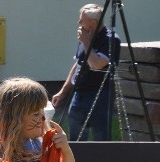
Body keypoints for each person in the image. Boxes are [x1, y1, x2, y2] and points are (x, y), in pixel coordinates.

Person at [51, 3, 120, 141]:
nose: (78, 22)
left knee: (102, 140)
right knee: (76, 141)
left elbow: (96, 65)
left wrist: (86, 42)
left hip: (100, 96)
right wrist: (63, 92)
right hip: (79, 94)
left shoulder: (110, 39)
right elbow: (79, 64)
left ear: (93, 24)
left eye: (82, 20)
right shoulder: (85, 36)